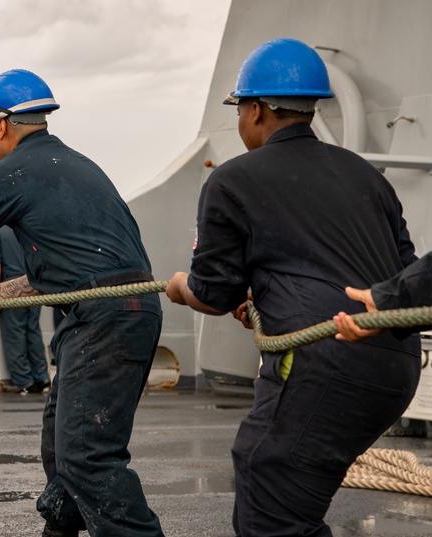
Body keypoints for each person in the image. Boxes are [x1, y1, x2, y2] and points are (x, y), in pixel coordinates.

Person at [165, 39, 420, 537]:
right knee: (279, 495)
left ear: (256, 110)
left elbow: (213, 293)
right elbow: (402, 272)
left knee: (270, 500)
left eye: (240, 107)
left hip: (323, 360)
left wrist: (179, 288)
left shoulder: (232, 181)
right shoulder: (368, 176)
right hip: (397, 362)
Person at [0, 69, 163, 537]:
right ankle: (60, 529)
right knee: (60, 442)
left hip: (102, 320)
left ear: (1, 125)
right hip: (127, 309)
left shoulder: (9, 172)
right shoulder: (80, 166)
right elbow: (72, 275)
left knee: (87, 455)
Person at [0, 226, 49, 394]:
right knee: (33, 331)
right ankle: (41, 376)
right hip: (33, 287)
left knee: (14, 333)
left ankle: (23, 380)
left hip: (11, 289)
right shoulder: (26, 228)